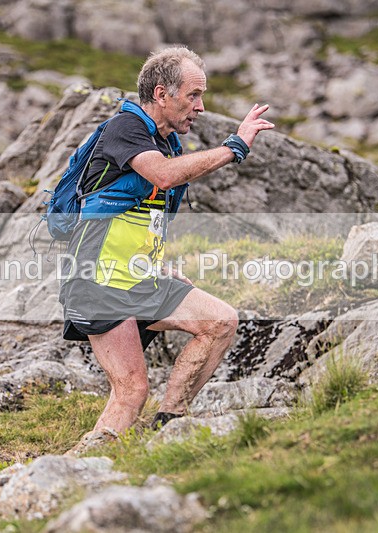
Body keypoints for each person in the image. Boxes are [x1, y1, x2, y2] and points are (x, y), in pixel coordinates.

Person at [59, 46, 274, 455]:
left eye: (202, 96)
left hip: (139, 276)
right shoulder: (124, 129)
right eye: (193, 95)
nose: (202, 106)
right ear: (161, 94)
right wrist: (235, 147)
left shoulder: (167, 142)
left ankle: (168, 424)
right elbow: (162, 176)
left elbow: (142, 219)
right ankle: (73, 470)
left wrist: (158, 266)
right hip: (98, 282)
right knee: (131, 392)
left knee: (220, 322)